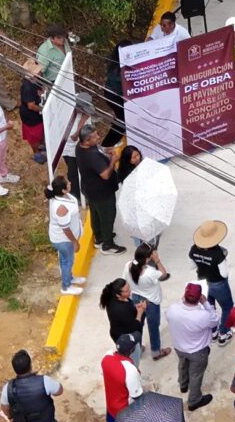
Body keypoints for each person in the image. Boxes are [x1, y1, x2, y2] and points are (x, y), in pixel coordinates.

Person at [0, 348, 67, 422]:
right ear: (30, 365)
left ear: (15, 369)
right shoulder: (44, 381)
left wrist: (11, 418)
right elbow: (59, 391)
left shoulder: (8, 388)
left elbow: (5, 408)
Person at [168, 282, 221, 409]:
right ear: (199, 298)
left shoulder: (172, 309)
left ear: (184, 295)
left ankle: (183, 384)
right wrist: (206, 303)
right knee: (196, 374)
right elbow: (215, 320)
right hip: (197, 351)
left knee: (182, 364)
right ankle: (194, 400)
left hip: (179, 346)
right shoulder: (202, 315)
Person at [77, 123, 125, 252]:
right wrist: (113, 160)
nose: (98, 137)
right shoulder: (92, 157)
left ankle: (99, 238)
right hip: (102, 192)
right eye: (95, 137)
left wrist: (105, 151)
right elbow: (105, 175)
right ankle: (108, 244)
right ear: (87, 141)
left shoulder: (80, 147)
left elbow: (97, 149)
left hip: (90, 190)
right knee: (107, 215)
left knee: (96, 215)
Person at [131, 244, 171, 359]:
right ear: (148, 258)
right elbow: (164, 275)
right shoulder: (150, 272)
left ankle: (138, 347)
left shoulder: (129, 266)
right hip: (151, 302)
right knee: (153, 326)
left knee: (138, 323)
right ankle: (155, 351)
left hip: (136, 298)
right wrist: (157, 260)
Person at [100, 334, 145, 422]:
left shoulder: (107, 356)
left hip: (111, 406)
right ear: (131, 350)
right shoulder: (130, 370)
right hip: (124, 412)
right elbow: (137, 397)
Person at [48, 183, 83, 295]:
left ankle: (70, 278)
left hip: (66, 238)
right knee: (67, 261)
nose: (70, 183)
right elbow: (65, 229)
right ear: (63, 190)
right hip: (63, 240)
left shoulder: (66, 196)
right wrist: (74, 242)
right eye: (67, 183)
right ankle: (66, 286)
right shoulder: (61, 208)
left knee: (65, 260)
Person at [18, 73, 49, 167]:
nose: (40, 73)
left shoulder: (38, 81)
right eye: (38, 72)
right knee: (34, 137)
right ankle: (37, 154)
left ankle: (42, 149)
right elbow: (31, 106)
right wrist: (43, 110)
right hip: (31, 118)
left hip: (38, 116)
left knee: (42, 134)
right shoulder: (27, 87)